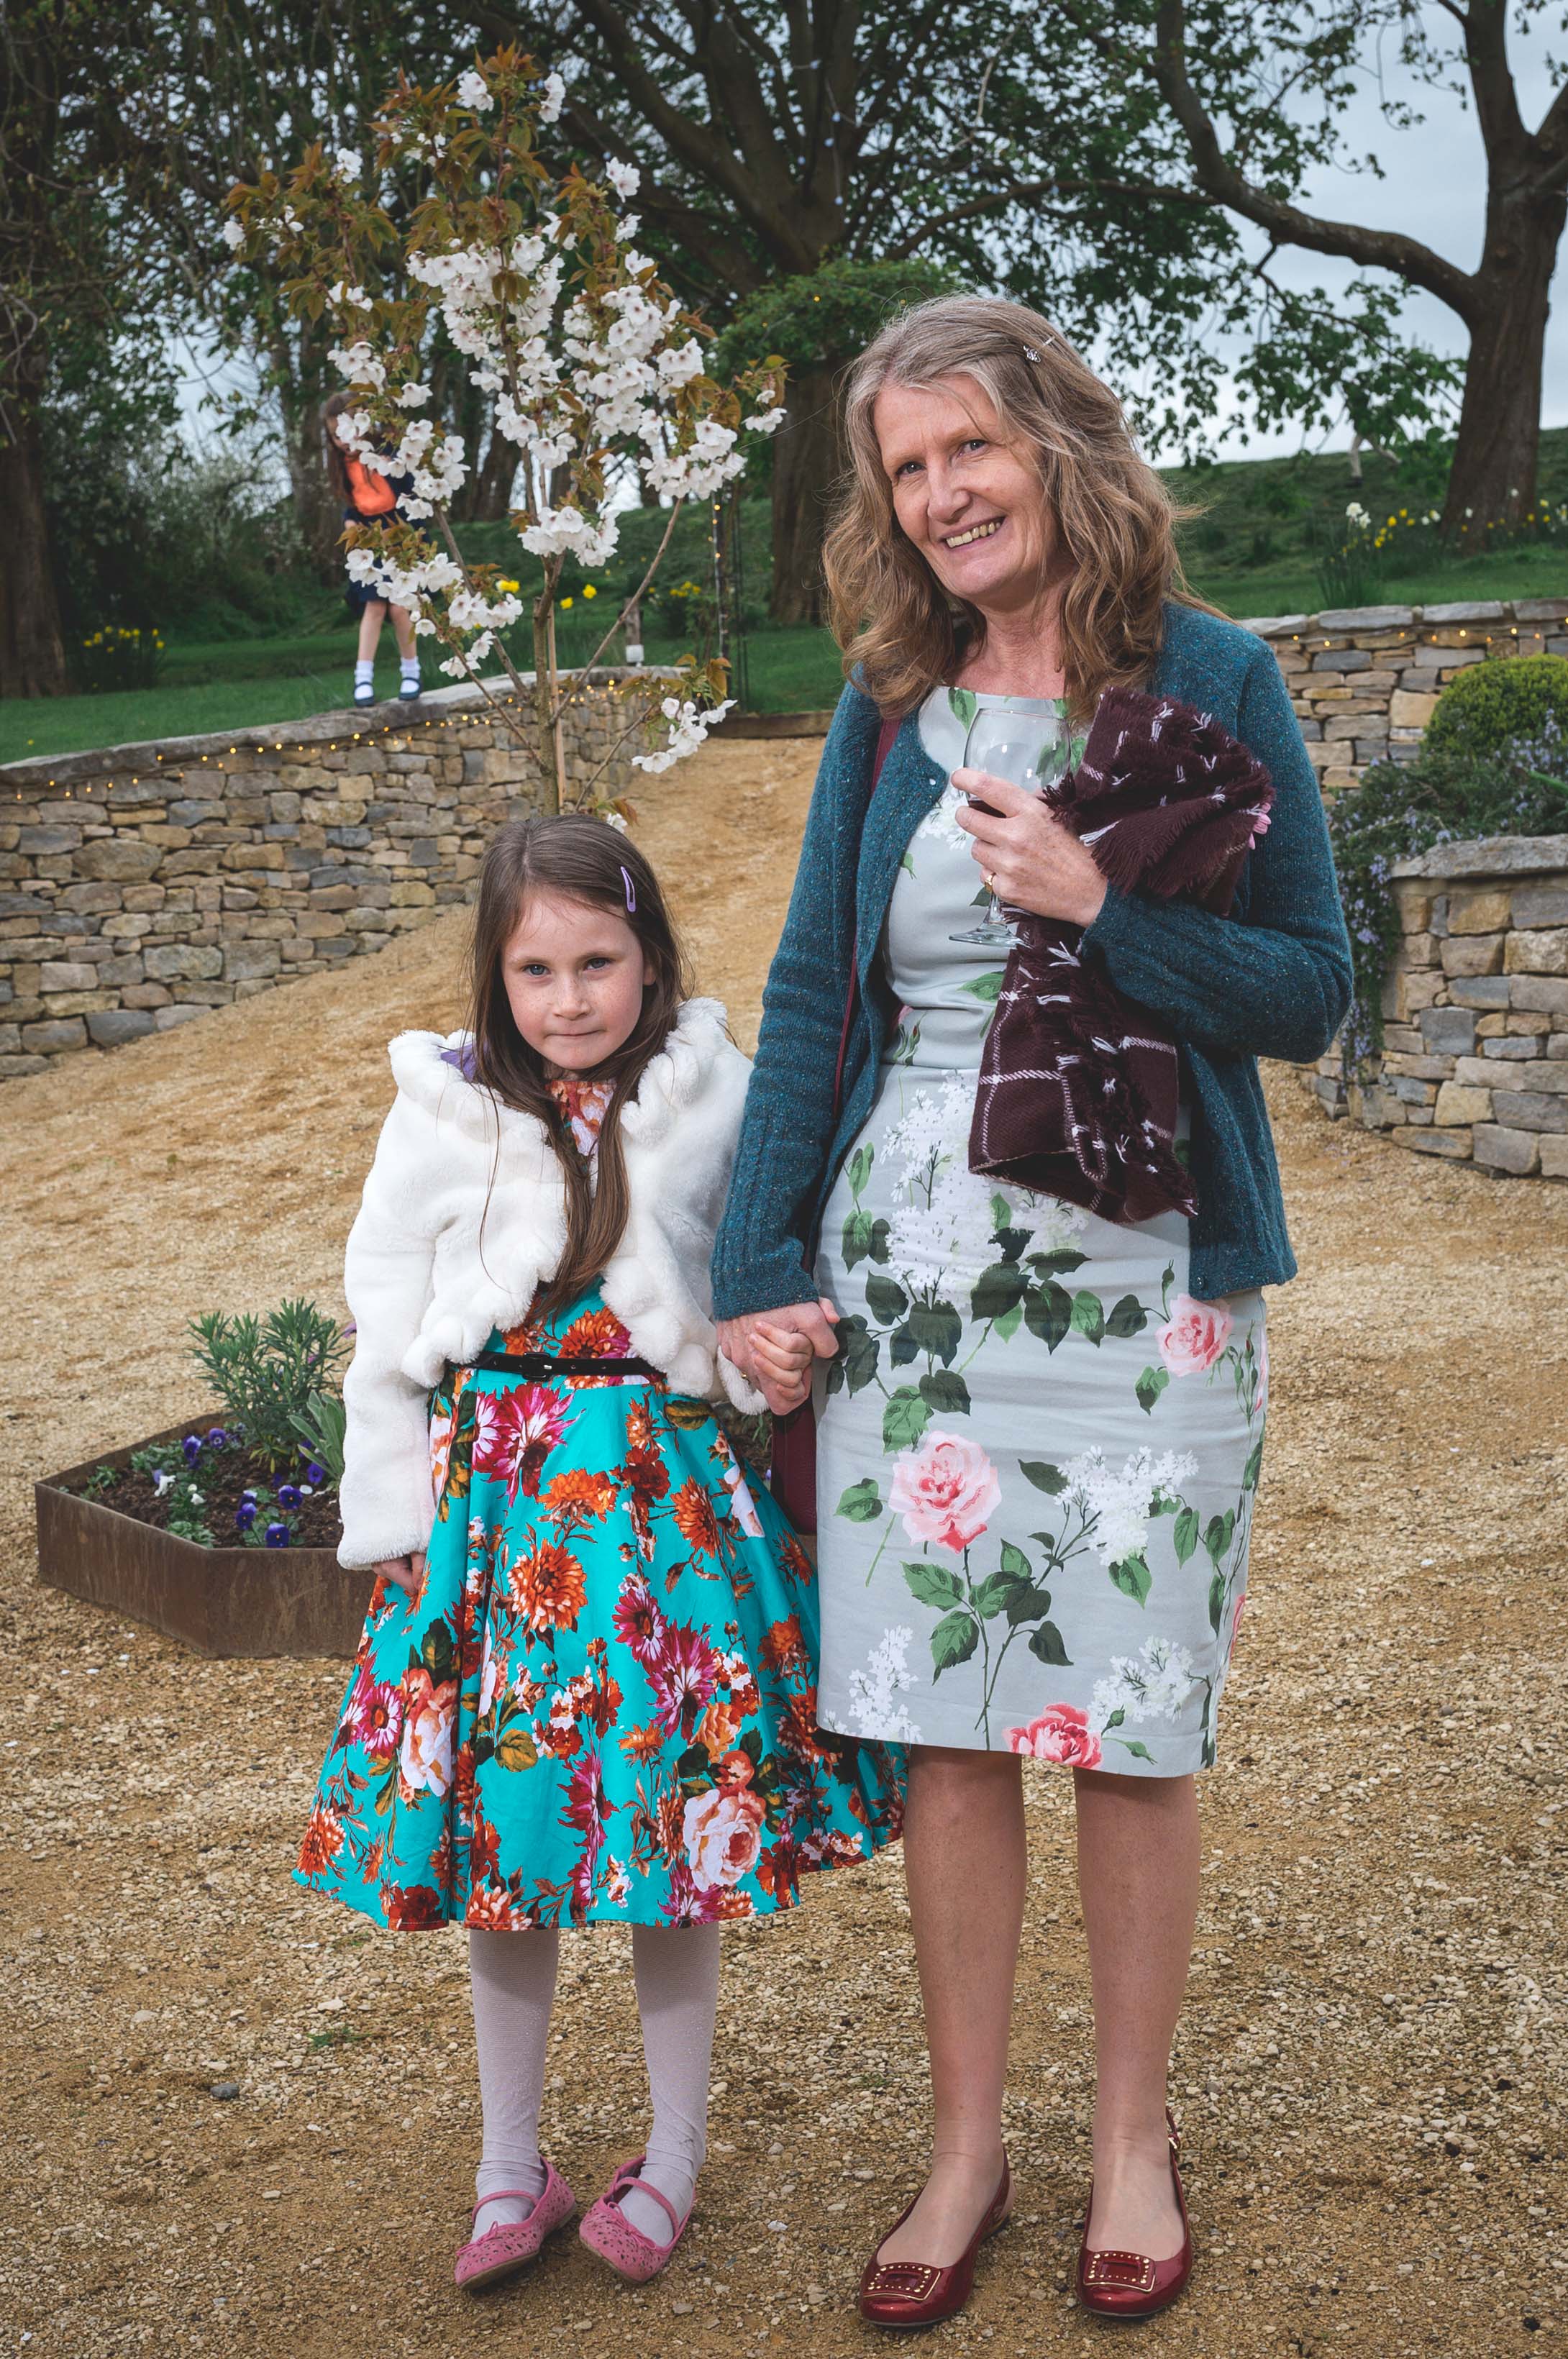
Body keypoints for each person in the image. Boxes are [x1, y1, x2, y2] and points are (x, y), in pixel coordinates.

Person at [711, 296, 1352, 2327]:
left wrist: (1101, 908)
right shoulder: (883, 706)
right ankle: (965, 2143)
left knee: (1127, 1721)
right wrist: (756, 1265)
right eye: (903, 470)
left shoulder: (1214, 677)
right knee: (941, 1725)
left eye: (966, 448)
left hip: (1145, 1285)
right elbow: (810, 991)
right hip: (909, 1287)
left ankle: (1131, 2139)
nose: (939, 495)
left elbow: (1309, 990)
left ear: (1055, 445)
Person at [296, 815, 904, 2297]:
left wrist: (771, 1364)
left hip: (658, 1531)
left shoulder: (713, 1094)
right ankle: (511, 2165)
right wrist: (394, 1517)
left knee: (668, 1837)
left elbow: (763, 1265)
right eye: (535, 969)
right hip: (493, 1531)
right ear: (493, 973)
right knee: (508, 1838)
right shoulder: (441, 1113)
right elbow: (383, 1309)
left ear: (650, 958)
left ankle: (672, 2151)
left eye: (597, 963)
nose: (567, 998)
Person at [322, 388, 423, 707]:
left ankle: (412, 672)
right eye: (335, 436)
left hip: (401, 530)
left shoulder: (387, 450)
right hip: (369, 539)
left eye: (347, 432)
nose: (343, 441)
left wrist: (408, 532)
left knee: (399, 606)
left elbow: (411, 491)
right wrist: (350, 522)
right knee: (374, 606)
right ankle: (362, 679)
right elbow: (353, 504)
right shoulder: (342, 465)